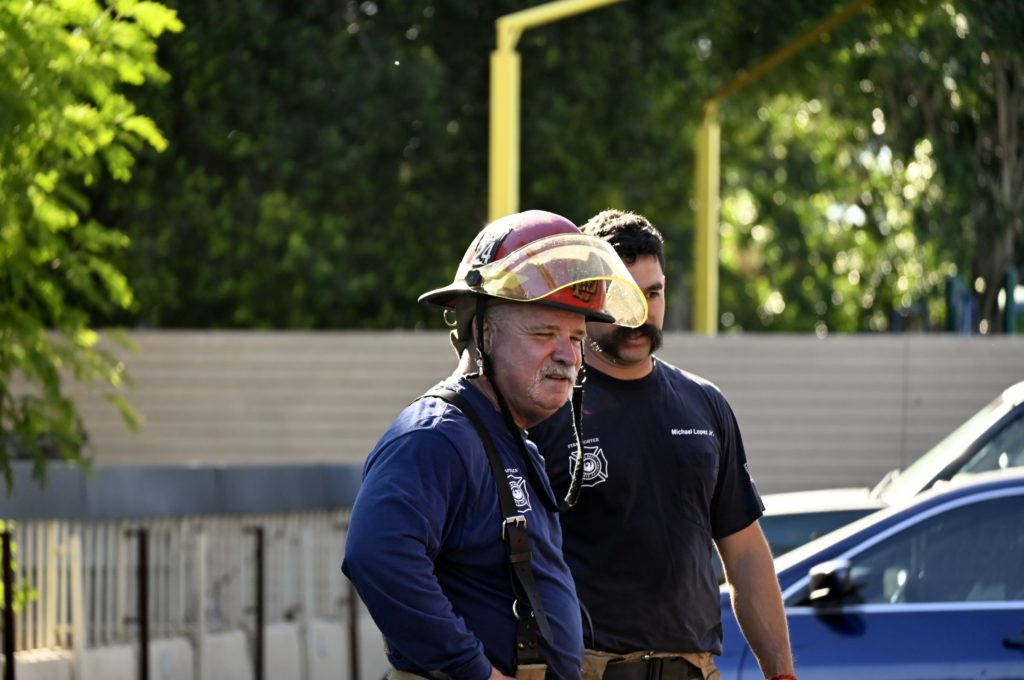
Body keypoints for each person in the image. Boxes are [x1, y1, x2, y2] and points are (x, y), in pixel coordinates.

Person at [342, 210, 648, 680]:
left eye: (576, 337)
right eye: (544, 333)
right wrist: (476, 671)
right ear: (482, 332)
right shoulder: (435, 437)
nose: (568, 354)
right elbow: (376, 555)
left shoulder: (509, 440)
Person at [529, 210, 796, 680]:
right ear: (585, 294)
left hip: (694, 669)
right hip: (587, 669)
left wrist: (783, 673)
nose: (640, 313)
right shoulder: (546, 404)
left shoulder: (705, 405)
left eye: (652, 294)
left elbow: (745, 554)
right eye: (623, 295)